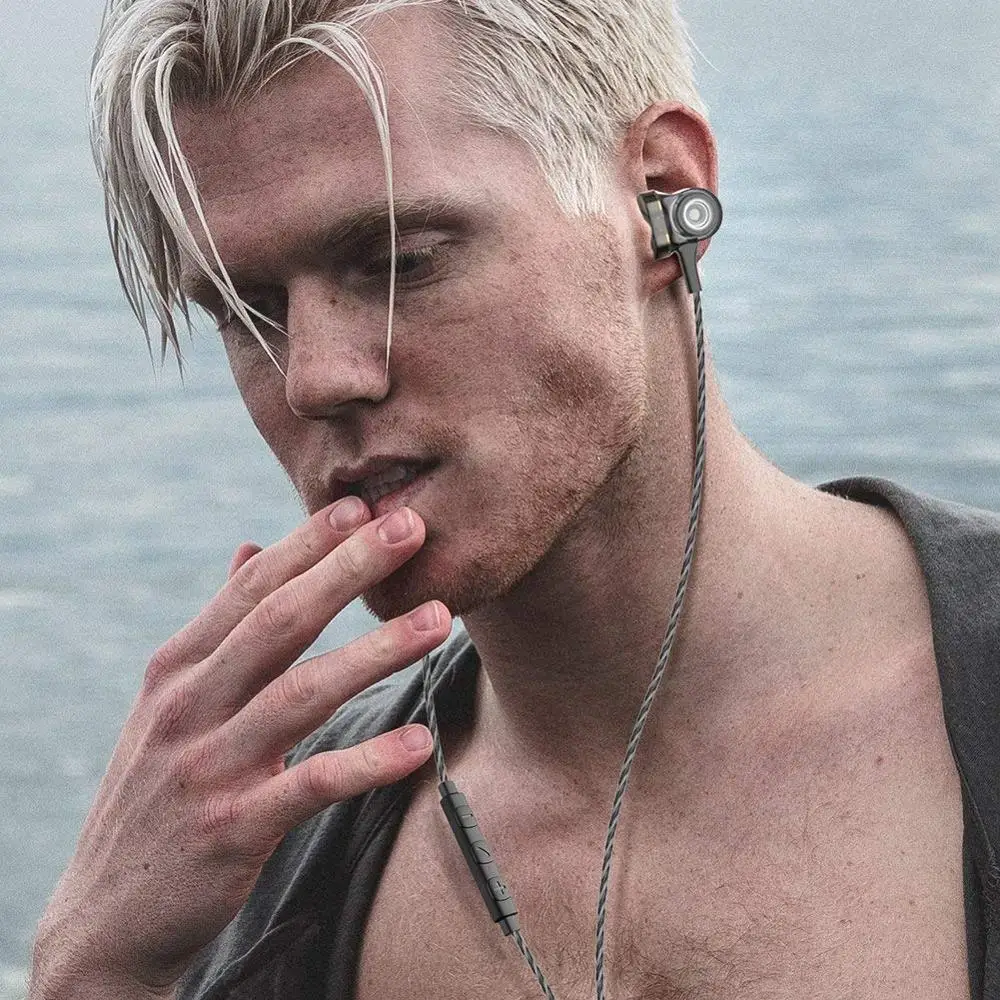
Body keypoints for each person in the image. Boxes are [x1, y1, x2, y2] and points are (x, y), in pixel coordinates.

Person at [28, 0, 1000, 998]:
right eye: (249, 310)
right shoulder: (267, 876)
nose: (314, 379)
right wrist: (93, 970)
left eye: (401, 262)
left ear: (661, 196)